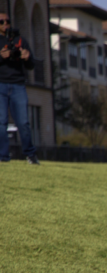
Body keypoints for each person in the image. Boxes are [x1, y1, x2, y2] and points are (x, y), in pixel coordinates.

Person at [0, 11, 40, 165]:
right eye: (1, 22)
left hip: (18, 85)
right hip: (1, 85)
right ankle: (3, 156)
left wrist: (27, 57)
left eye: (7, 21)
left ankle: (30, 154)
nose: (5, 24)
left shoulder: (20, 40)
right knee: (1, 122)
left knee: (23, 122)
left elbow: (30, 66)